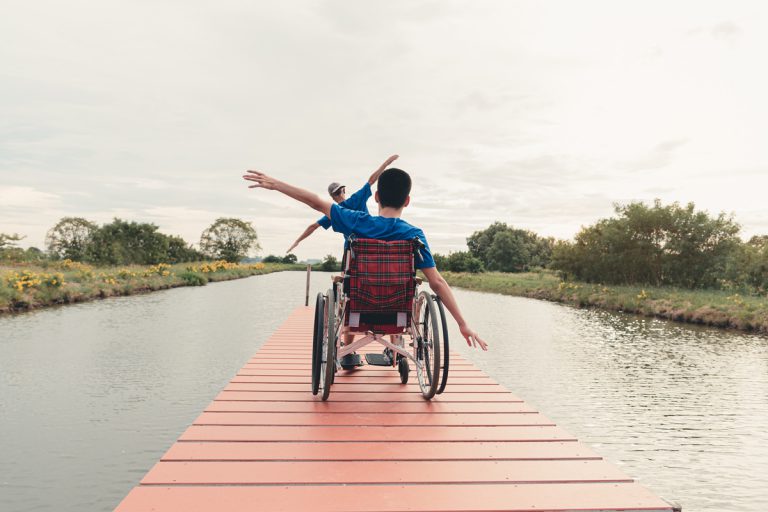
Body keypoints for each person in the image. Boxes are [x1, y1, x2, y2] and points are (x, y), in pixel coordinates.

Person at [243, 165, 488, 351]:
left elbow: (316, 202)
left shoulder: (356, 221)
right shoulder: (415, 235)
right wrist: (463, 324)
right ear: (407, 201)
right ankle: (398, 350)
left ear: (377, 197)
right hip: (400, 312)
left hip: (359, 306)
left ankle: (346, 352)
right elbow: (437, 282)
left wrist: (276, 184)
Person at [286, 154, 399, 254]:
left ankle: (342, 276)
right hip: (372, 243)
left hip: (353, 249)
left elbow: (313, 226)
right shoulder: (357, 198)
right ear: (344, 190)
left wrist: (297, 241)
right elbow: (371, 181)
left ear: (332, 197)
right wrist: (386, 163)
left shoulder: (334, 212)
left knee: (348, 270)